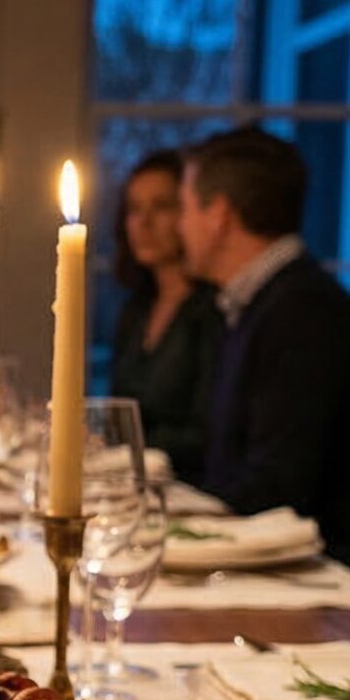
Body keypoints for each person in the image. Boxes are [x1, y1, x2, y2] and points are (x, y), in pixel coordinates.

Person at [176, 126, 350, 576]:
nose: (179, 226)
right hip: (272, 560)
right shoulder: (260, 303)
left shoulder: (305, 312)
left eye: (183, 208)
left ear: (218, 215)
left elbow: (278, 484)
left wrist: (170, 524)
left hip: (325, 577)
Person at [105, 148, 221, 479]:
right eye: (134, 209)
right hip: (133, 483)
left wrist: (118, 445)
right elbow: (117, 409)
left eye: (162, 207)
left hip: (190, 487)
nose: (144, 223)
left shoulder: (215, 310)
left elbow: (207, 434)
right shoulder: (136, 309)